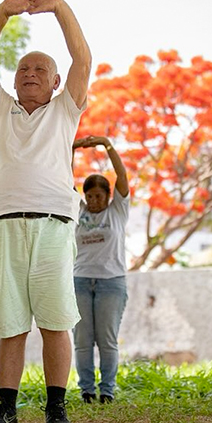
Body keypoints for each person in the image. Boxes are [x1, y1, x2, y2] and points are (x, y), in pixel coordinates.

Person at [0, 0, 91, 423]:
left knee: (56, 320)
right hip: (4, 226)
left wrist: (58, 7)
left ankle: (56, 408)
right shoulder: (0, 110)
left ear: (57, 82)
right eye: (23, 68)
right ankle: (6, 408)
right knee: (12, 323)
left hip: (54, 225)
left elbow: (82, 59)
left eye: (41, 69)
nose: (30, 73)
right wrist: (4, 11)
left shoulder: (65, 111)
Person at [71, 136, 130, 405]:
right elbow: (63, 179)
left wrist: (107, 145)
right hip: (80, 280)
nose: (94, 200)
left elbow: (121, 174)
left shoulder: (118, 210)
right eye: (89, 196)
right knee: (82, 341)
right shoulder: (78, 210)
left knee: (107, 341)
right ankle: (86, 389)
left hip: (111, 283)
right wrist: (70, 149)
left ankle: (107, 390)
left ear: (108, 196)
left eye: (99, 195)